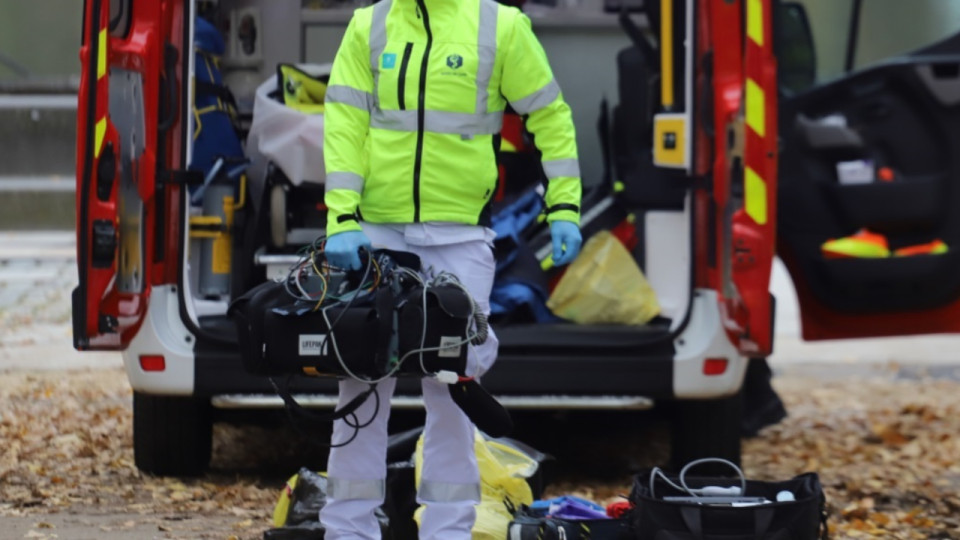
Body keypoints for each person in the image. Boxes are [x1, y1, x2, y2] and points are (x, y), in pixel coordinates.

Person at [317, 0, 582, 537]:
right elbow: (344, 120)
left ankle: (448, 531)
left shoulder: (500, 25)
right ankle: (347, 531)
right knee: (362, 385)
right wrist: (341, 217)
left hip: (458, 234)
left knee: (454, 389)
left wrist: (565, 206)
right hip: (378, 231)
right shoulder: (369, 26)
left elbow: (550, 115)